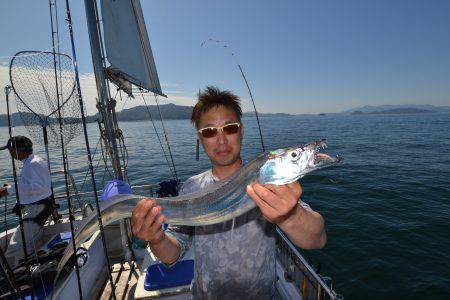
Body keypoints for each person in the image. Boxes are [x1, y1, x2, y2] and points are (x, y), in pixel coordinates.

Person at [131, 86, 327, 299]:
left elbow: (316, 239)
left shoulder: (267, 181)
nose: (221, 139)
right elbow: (173, 254)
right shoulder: (192, 188)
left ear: (241, 131)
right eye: (209, 132)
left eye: (230, 128)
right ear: (200, 138)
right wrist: (156, 239)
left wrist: (290, 215)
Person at [0, 136, 53, 266]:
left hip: (36, 209)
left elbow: (37, 187)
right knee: (26, 244)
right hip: (35, 208)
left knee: (15, 248)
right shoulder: (32, 161)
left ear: (20, 149)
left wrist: (8, 190)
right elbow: (32, 185)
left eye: (11, 149)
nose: (11, 153)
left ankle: (9, 278)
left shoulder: (33, 163)